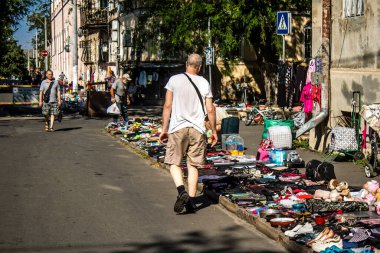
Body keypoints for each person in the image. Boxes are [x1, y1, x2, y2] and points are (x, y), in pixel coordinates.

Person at [159, 53, 218, 214]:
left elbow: (167, 106)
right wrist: (213, 131)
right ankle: (191, 201)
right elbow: (210, 110)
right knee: (193, 166)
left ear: (187, 64)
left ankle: (181, 192)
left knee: (174, 163)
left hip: (177, 128)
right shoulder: (205, 82)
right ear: (199, 67)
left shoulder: (174, 80)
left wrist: (164, 129)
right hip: (198, 130)